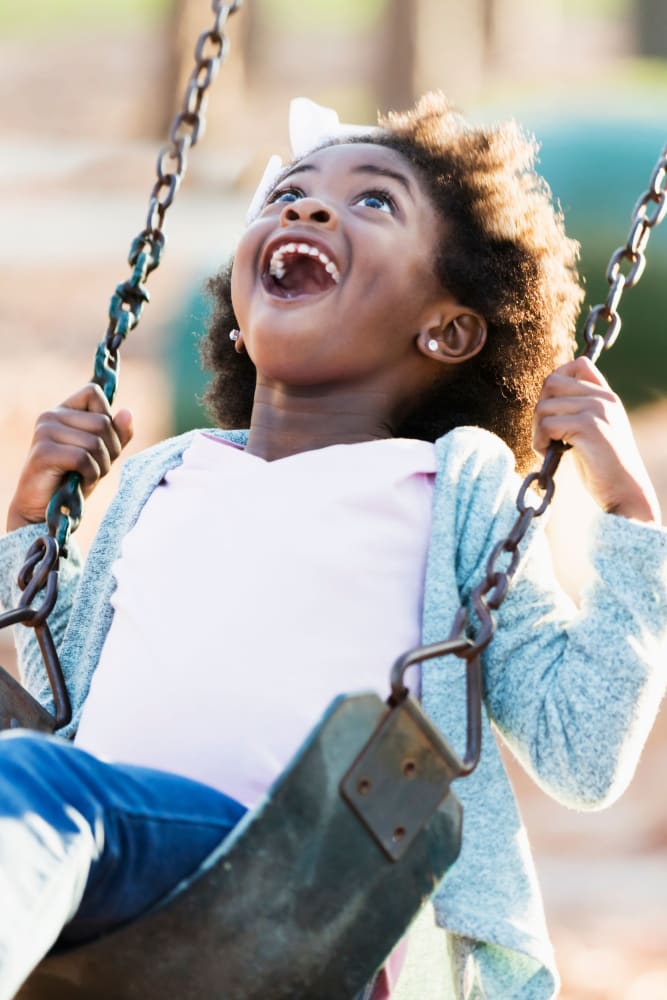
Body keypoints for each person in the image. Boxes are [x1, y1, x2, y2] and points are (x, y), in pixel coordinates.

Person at [1, 93, 666, 1000]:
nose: (306, 208)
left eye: (374, 201)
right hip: (113, 873)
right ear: (237, 307)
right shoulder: (167, 474)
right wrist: (32, 528)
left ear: (448, 327)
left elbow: (580, 751)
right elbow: (66, 695)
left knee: (33, 784)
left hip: (304, 886)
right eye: (288, 194)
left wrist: (628, 506)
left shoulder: (451, 490)